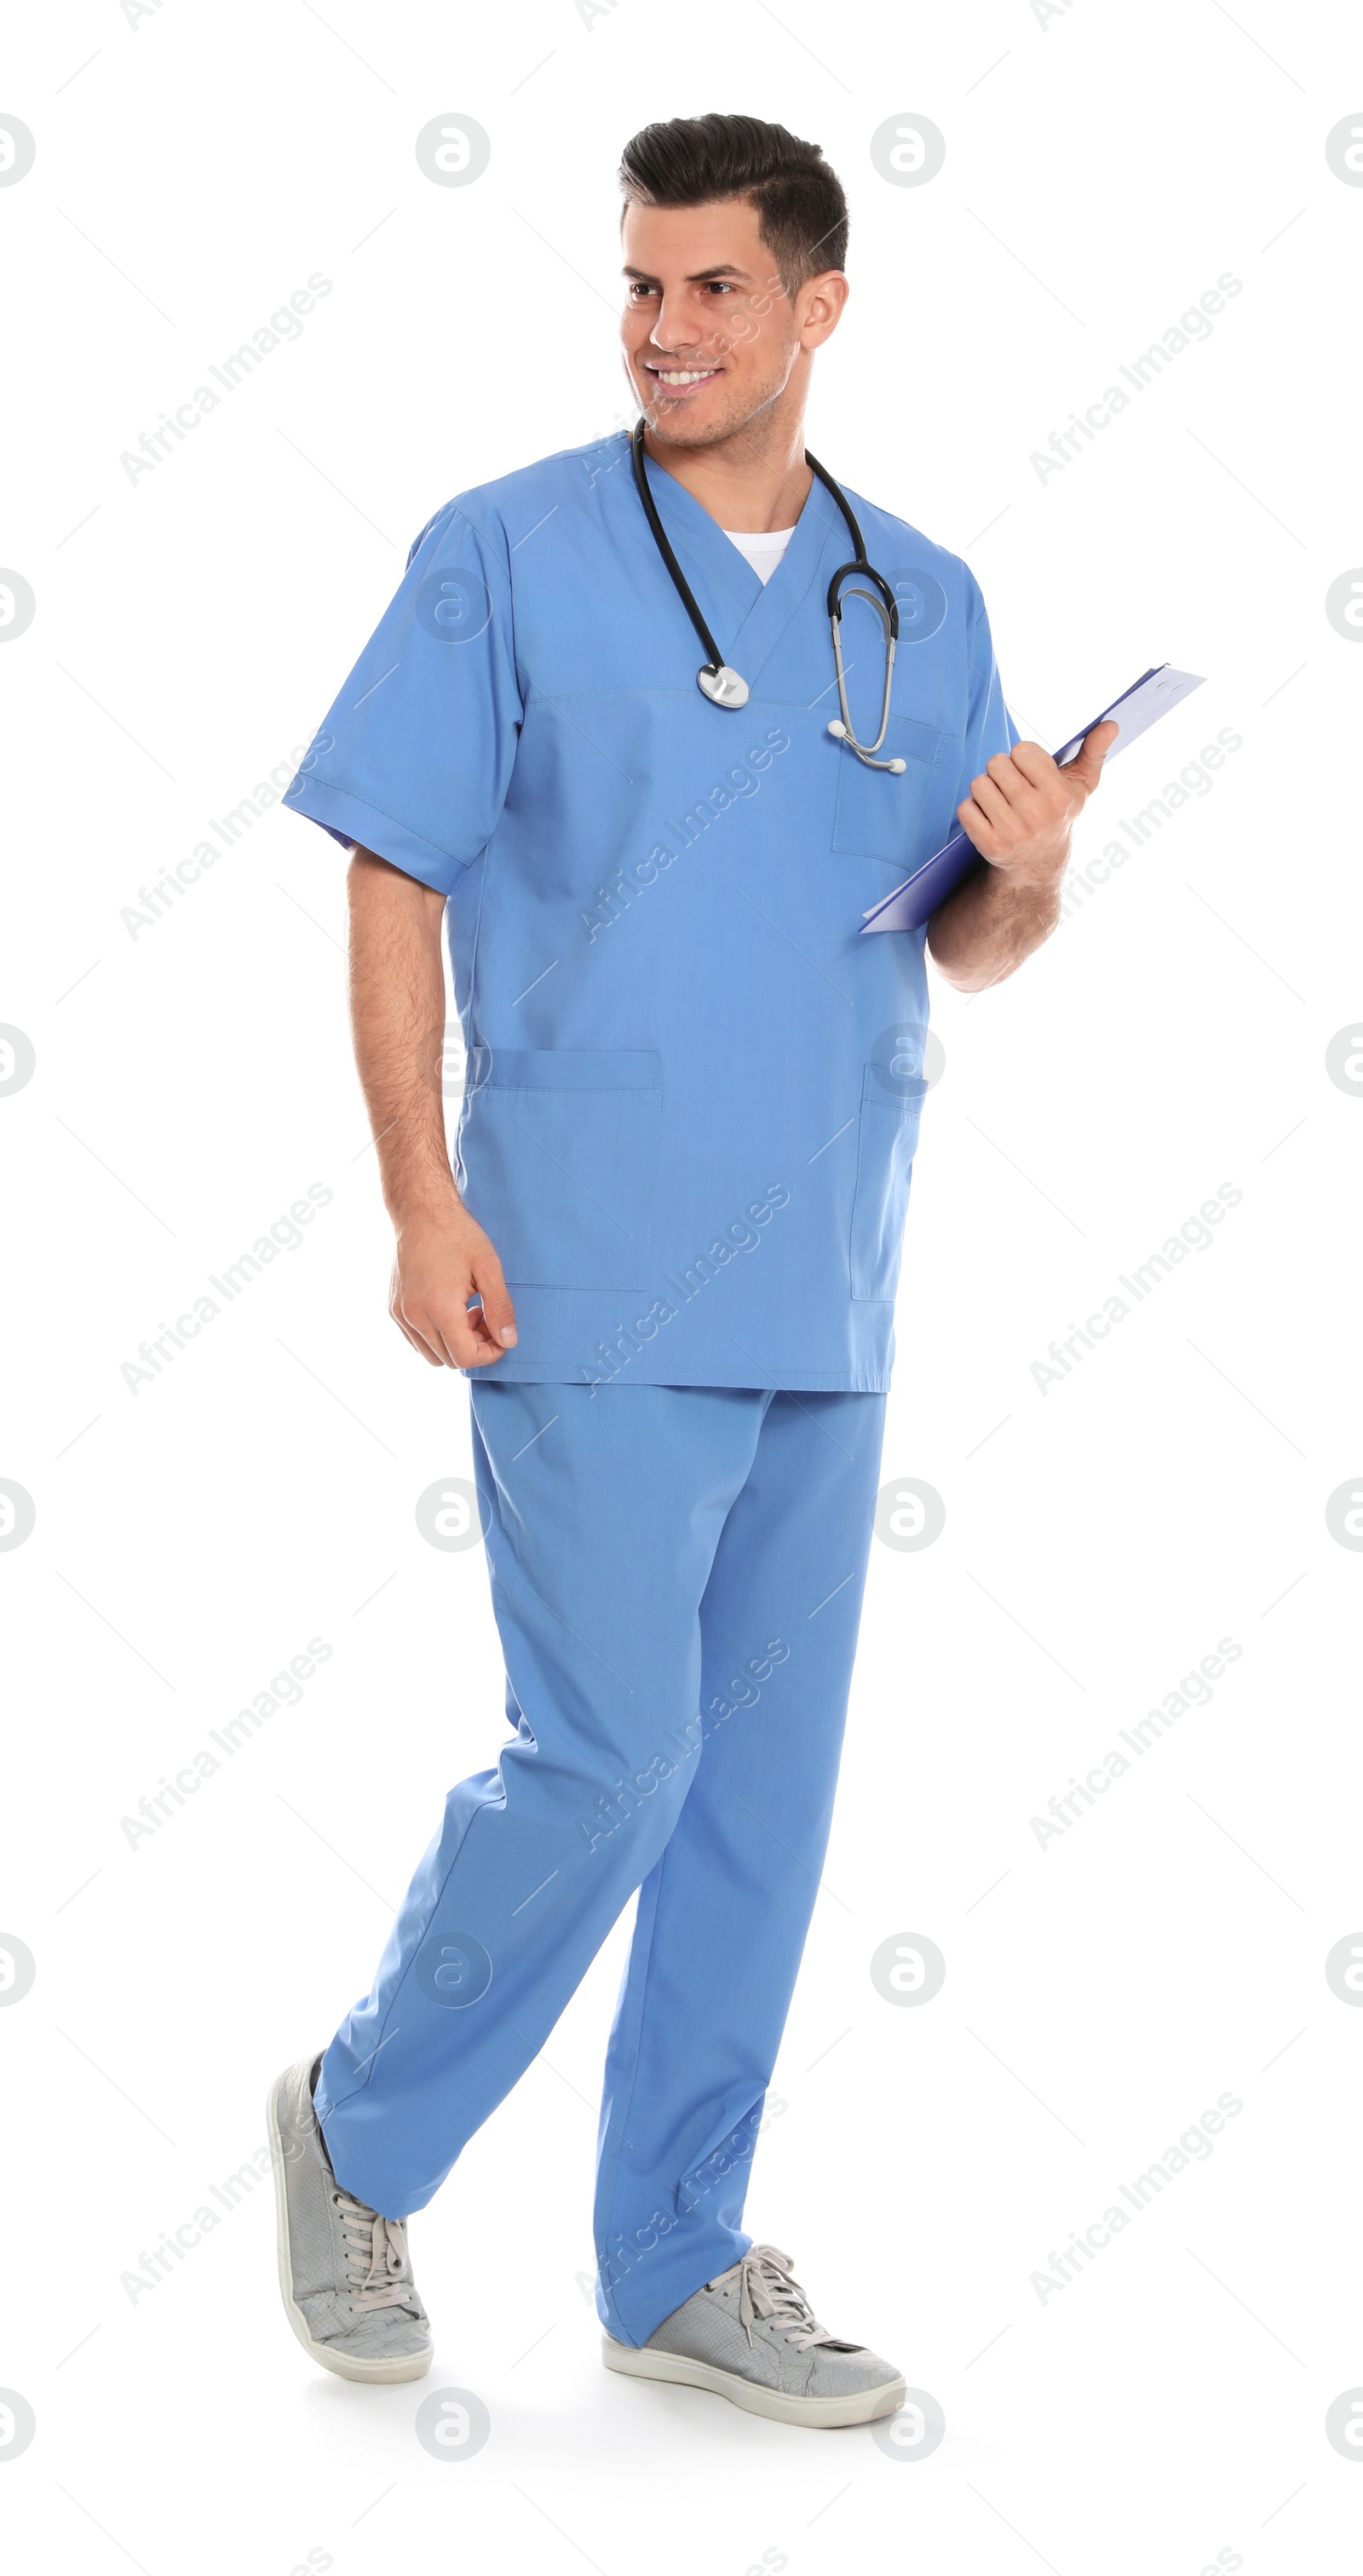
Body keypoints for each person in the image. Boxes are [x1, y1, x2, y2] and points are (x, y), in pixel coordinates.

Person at [267, 111, 1115, 2429]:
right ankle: (359, 2125)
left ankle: (675, 2253)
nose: (663, 329)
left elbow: (970, 944)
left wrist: (1028, 872)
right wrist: (417, 1198)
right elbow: (389, 872)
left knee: (759, 1801)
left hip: (828, 1269)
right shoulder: (505, 554)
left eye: (713, 289)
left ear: (819, 305)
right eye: (639, 286)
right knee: (615, 1763)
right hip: (584, 1260)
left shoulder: (915, 594)